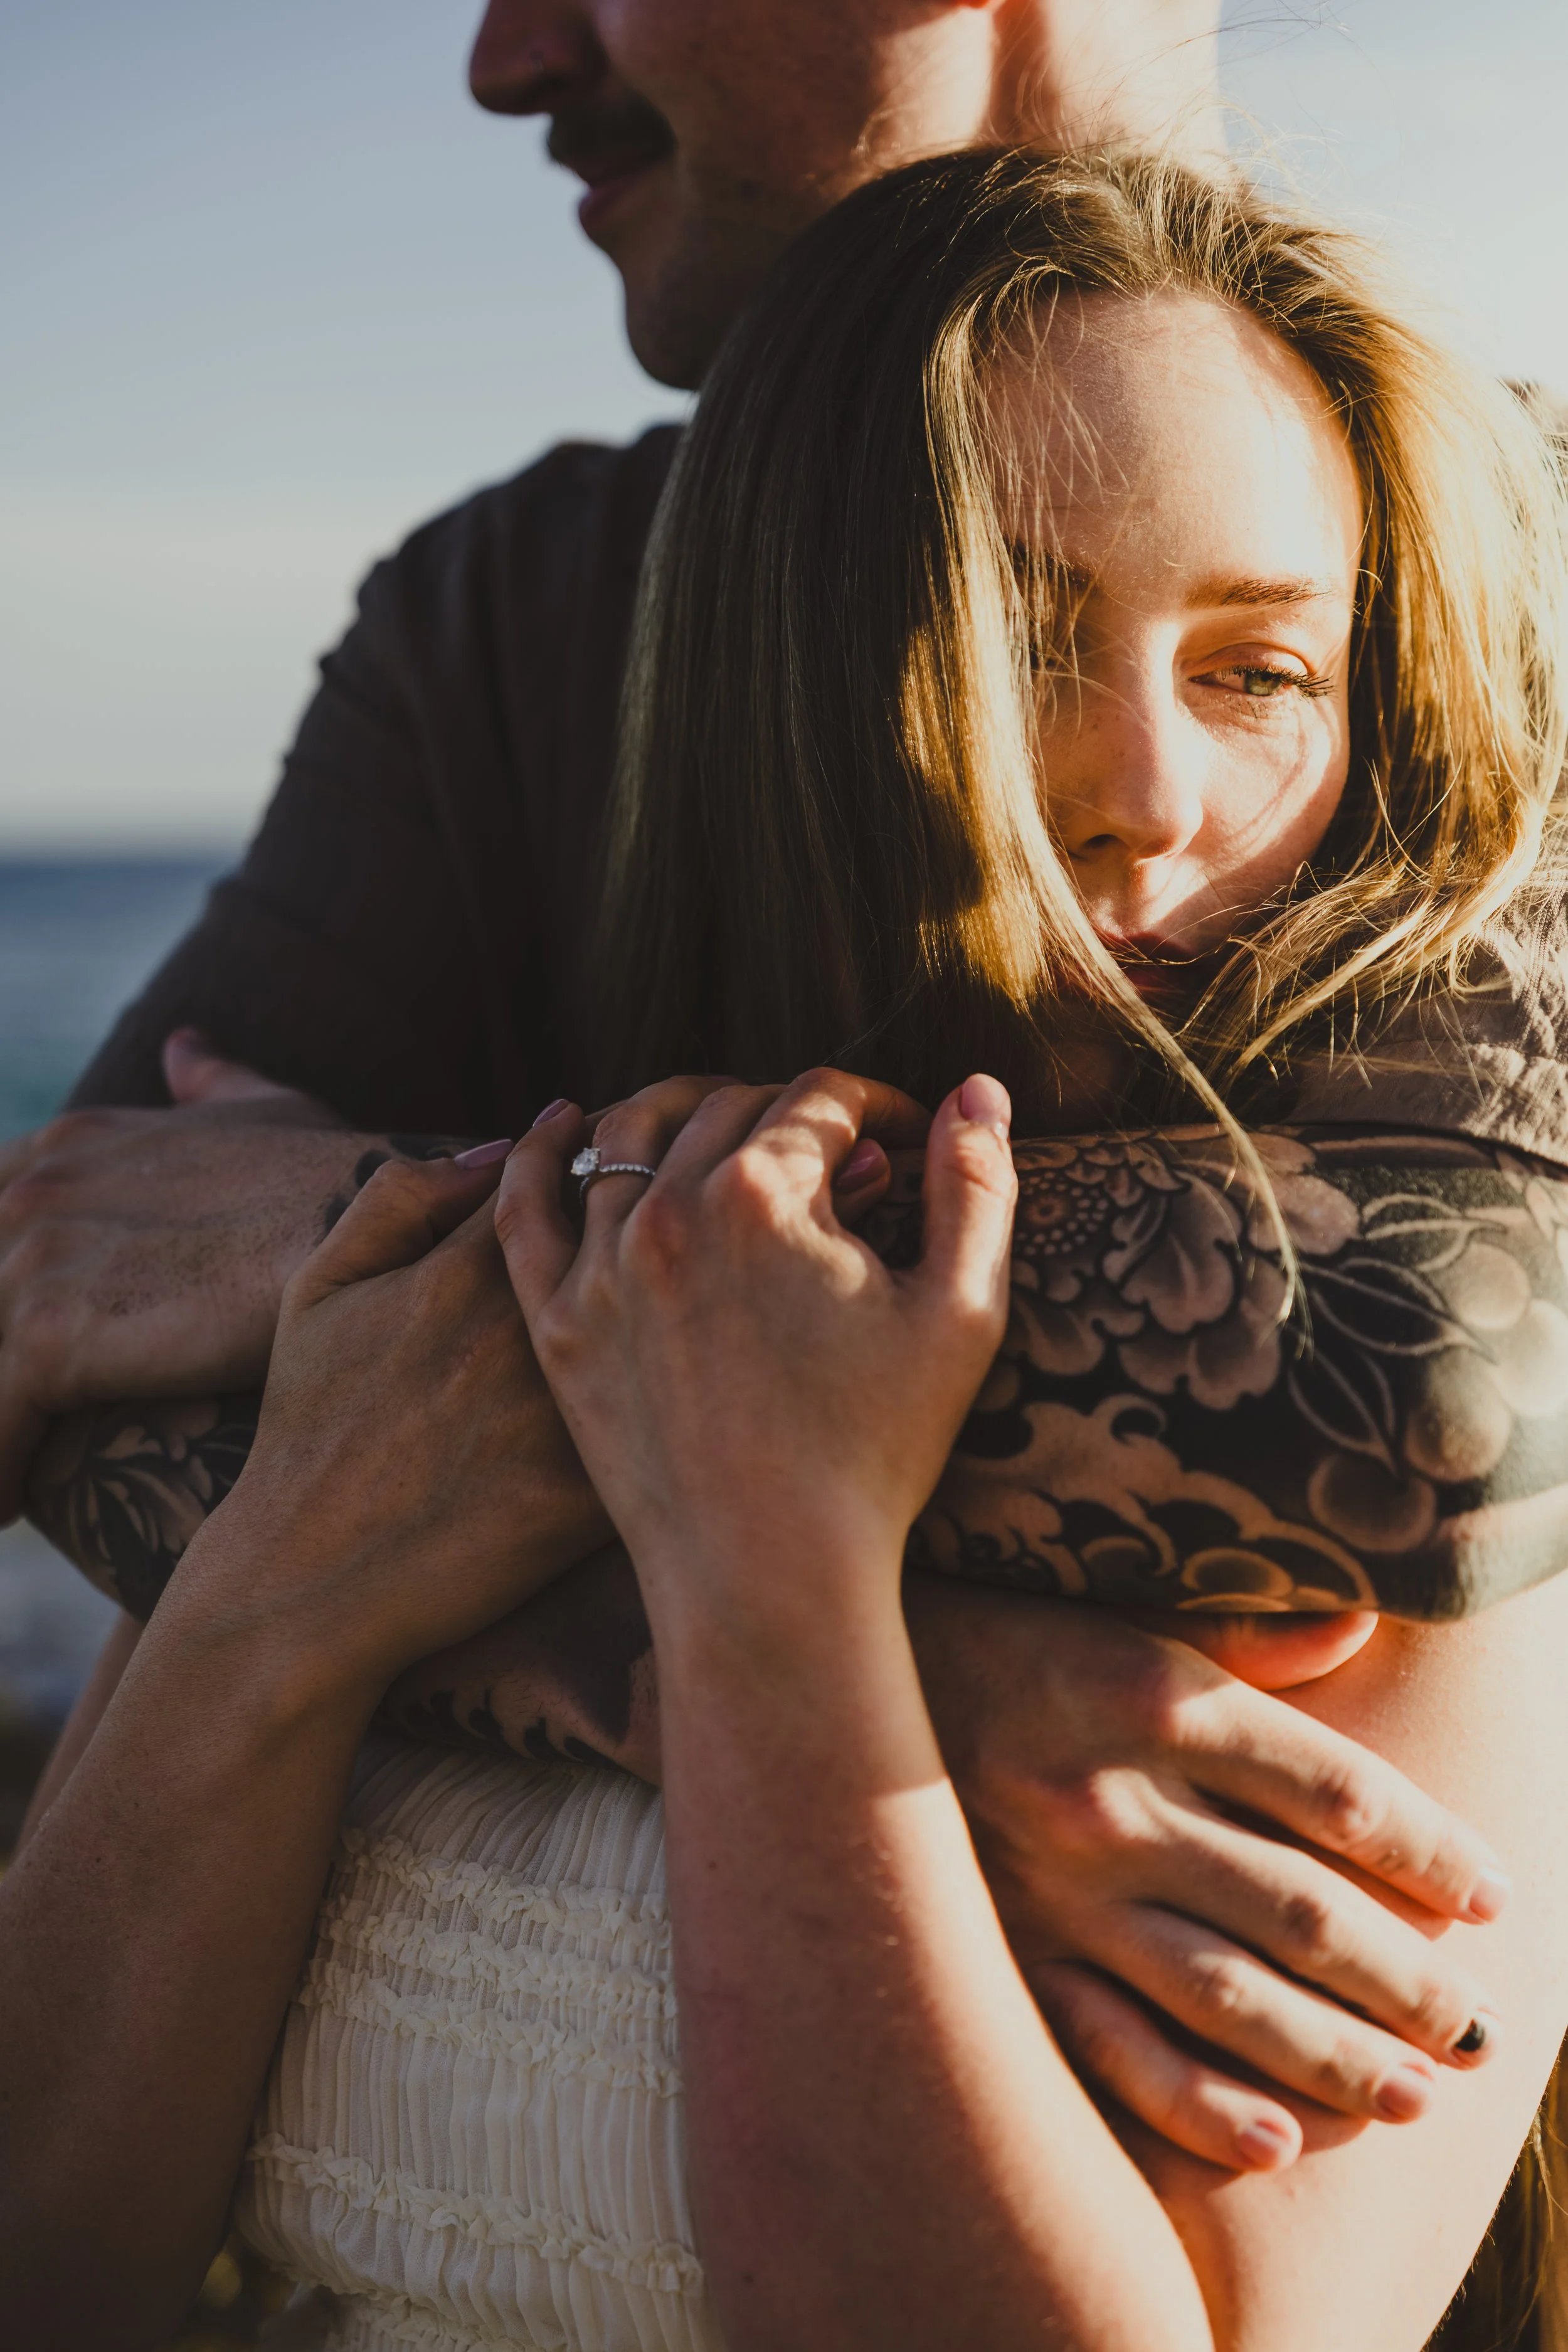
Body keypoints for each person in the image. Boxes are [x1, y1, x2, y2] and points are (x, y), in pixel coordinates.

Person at [6, 147, 1568, 2351]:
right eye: (1019, 631)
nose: (1146, 787)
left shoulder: (1363, 1516)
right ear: (778, 682)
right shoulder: (402, 1394)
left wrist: (778, 1583)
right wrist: (328, 1578)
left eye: (1257, 666)